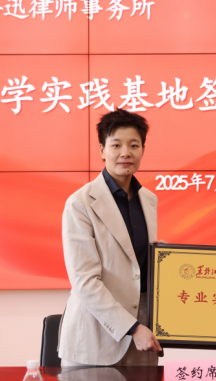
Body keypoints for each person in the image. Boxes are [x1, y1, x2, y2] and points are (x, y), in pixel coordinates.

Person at [58, 109, 162, 366]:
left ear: (143, 150)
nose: (125, 152)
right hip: (95, 340)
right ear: (102, 150)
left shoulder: (148, 200)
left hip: (142, 339)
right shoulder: (80, 203)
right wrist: (132, 328)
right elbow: (84, 281)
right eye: (116, 145)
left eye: (134, 145)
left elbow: (136, 264)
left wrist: (167, 259)